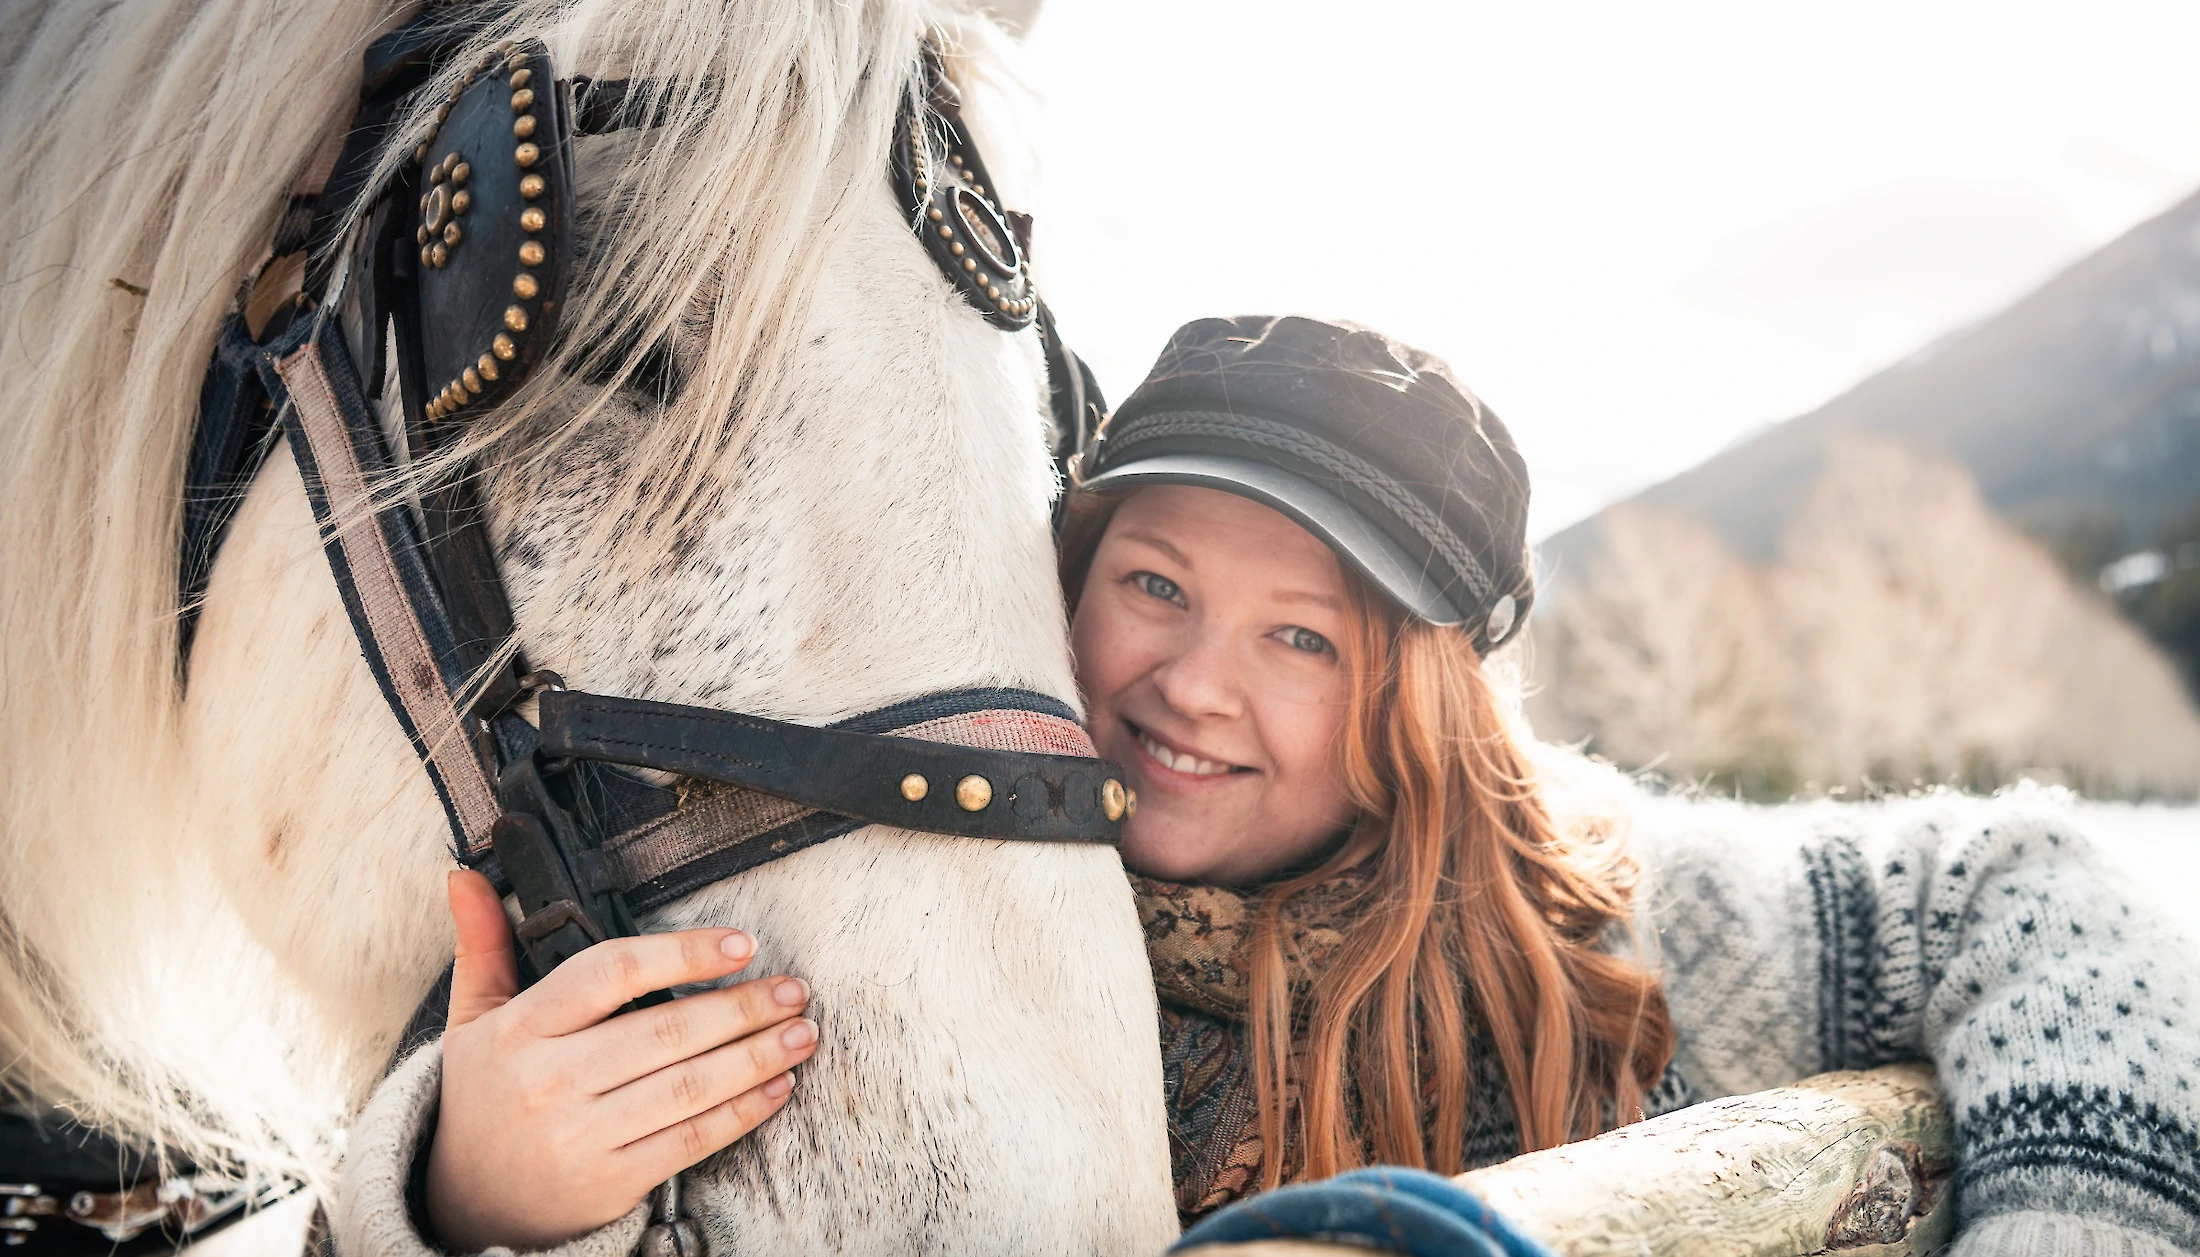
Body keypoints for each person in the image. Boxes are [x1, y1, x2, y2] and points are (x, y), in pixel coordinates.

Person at [337, 316, 2199, 1257]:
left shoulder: (1594, 925)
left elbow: (2026, 884)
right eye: (1153, 584)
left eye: (1304, 638)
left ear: (1416, 704)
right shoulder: (883, 907)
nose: (1191, 686)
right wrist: (462, 1190)